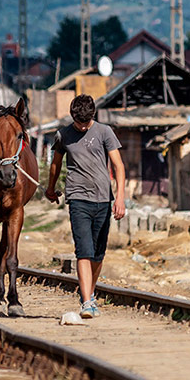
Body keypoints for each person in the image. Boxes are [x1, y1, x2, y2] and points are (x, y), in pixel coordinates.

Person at [46, 95, 126, 319]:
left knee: (98, 254)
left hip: (103, 199)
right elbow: (56, 164)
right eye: (78, 123)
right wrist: (50, 189)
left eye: (86, 123)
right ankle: (88, 302)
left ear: (93, 116)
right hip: (78, 198)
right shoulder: (63, 135)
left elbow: (118, 166)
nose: (82, 127)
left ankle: (88, 294)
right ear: (72, 117)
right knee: (84, 251)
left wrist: (120, 198)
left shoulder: (104, 132)